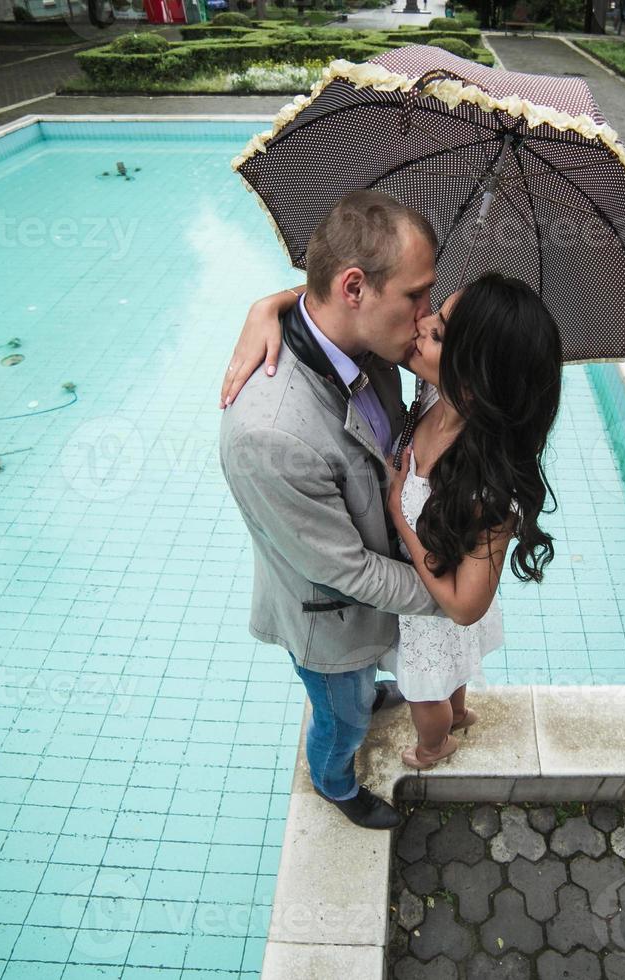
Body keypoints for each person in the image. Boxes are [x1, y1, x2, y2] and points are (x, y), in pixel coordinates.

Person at [224, 271, 564, 773]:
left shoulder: (484, 485)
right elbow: (351, 304)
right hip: (422, 588)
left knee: (425, 692)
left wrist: (399, 517)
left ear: (475, 382)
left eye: (438, 333)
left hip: (433, 609)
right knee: (453, 673)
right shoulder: (433, 397)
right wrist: (268, 305)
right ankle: (462, 710)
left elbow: (464, 608)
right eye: (435, 313)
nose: (420, 324)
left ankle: (435, 746)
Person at [218, 190, 443, 831]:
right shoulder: (270, 435)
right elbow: (349, 571)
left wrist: (271, 299)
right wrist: (449, 596)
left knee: (360, 693)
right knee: (340, 716)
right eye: (416, 294)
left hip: (368, 595)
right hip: (332, 619)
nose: (427, 314)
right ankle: (334, 781)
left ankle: (369, 694)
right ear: (353, 288)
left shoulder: (367, 339)